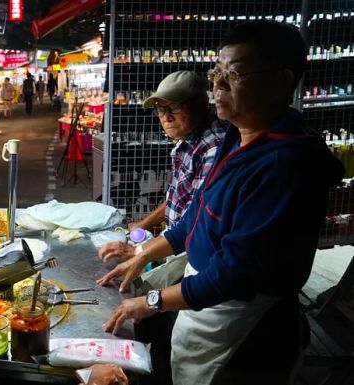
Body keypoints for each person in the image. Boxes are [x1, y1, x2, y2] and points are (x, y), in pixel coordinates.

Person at [98, 20, 344, 384]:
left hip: (246, 327)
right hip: (208, 305)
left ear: (282, 81)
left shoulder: (282, 165)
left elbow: (235, 274)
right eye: (217, 71)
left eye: (237, 73)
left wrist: (150, 302)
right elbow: (196, 213)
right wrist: (144, 254)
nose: (219, 83)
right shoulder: (236, 135)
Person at [97, 71, 226, 291]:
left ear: (202, 103)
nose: (166, 117)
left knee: (135, 292)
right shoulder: (189, 139)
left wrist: (140, 252)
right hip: (176, 243)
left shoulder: (213, 147)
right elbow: (179, 198)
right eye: (160, 109)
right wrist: (142, 225)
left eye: (174, 107)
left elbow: (193, 222)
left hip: (193, 253)